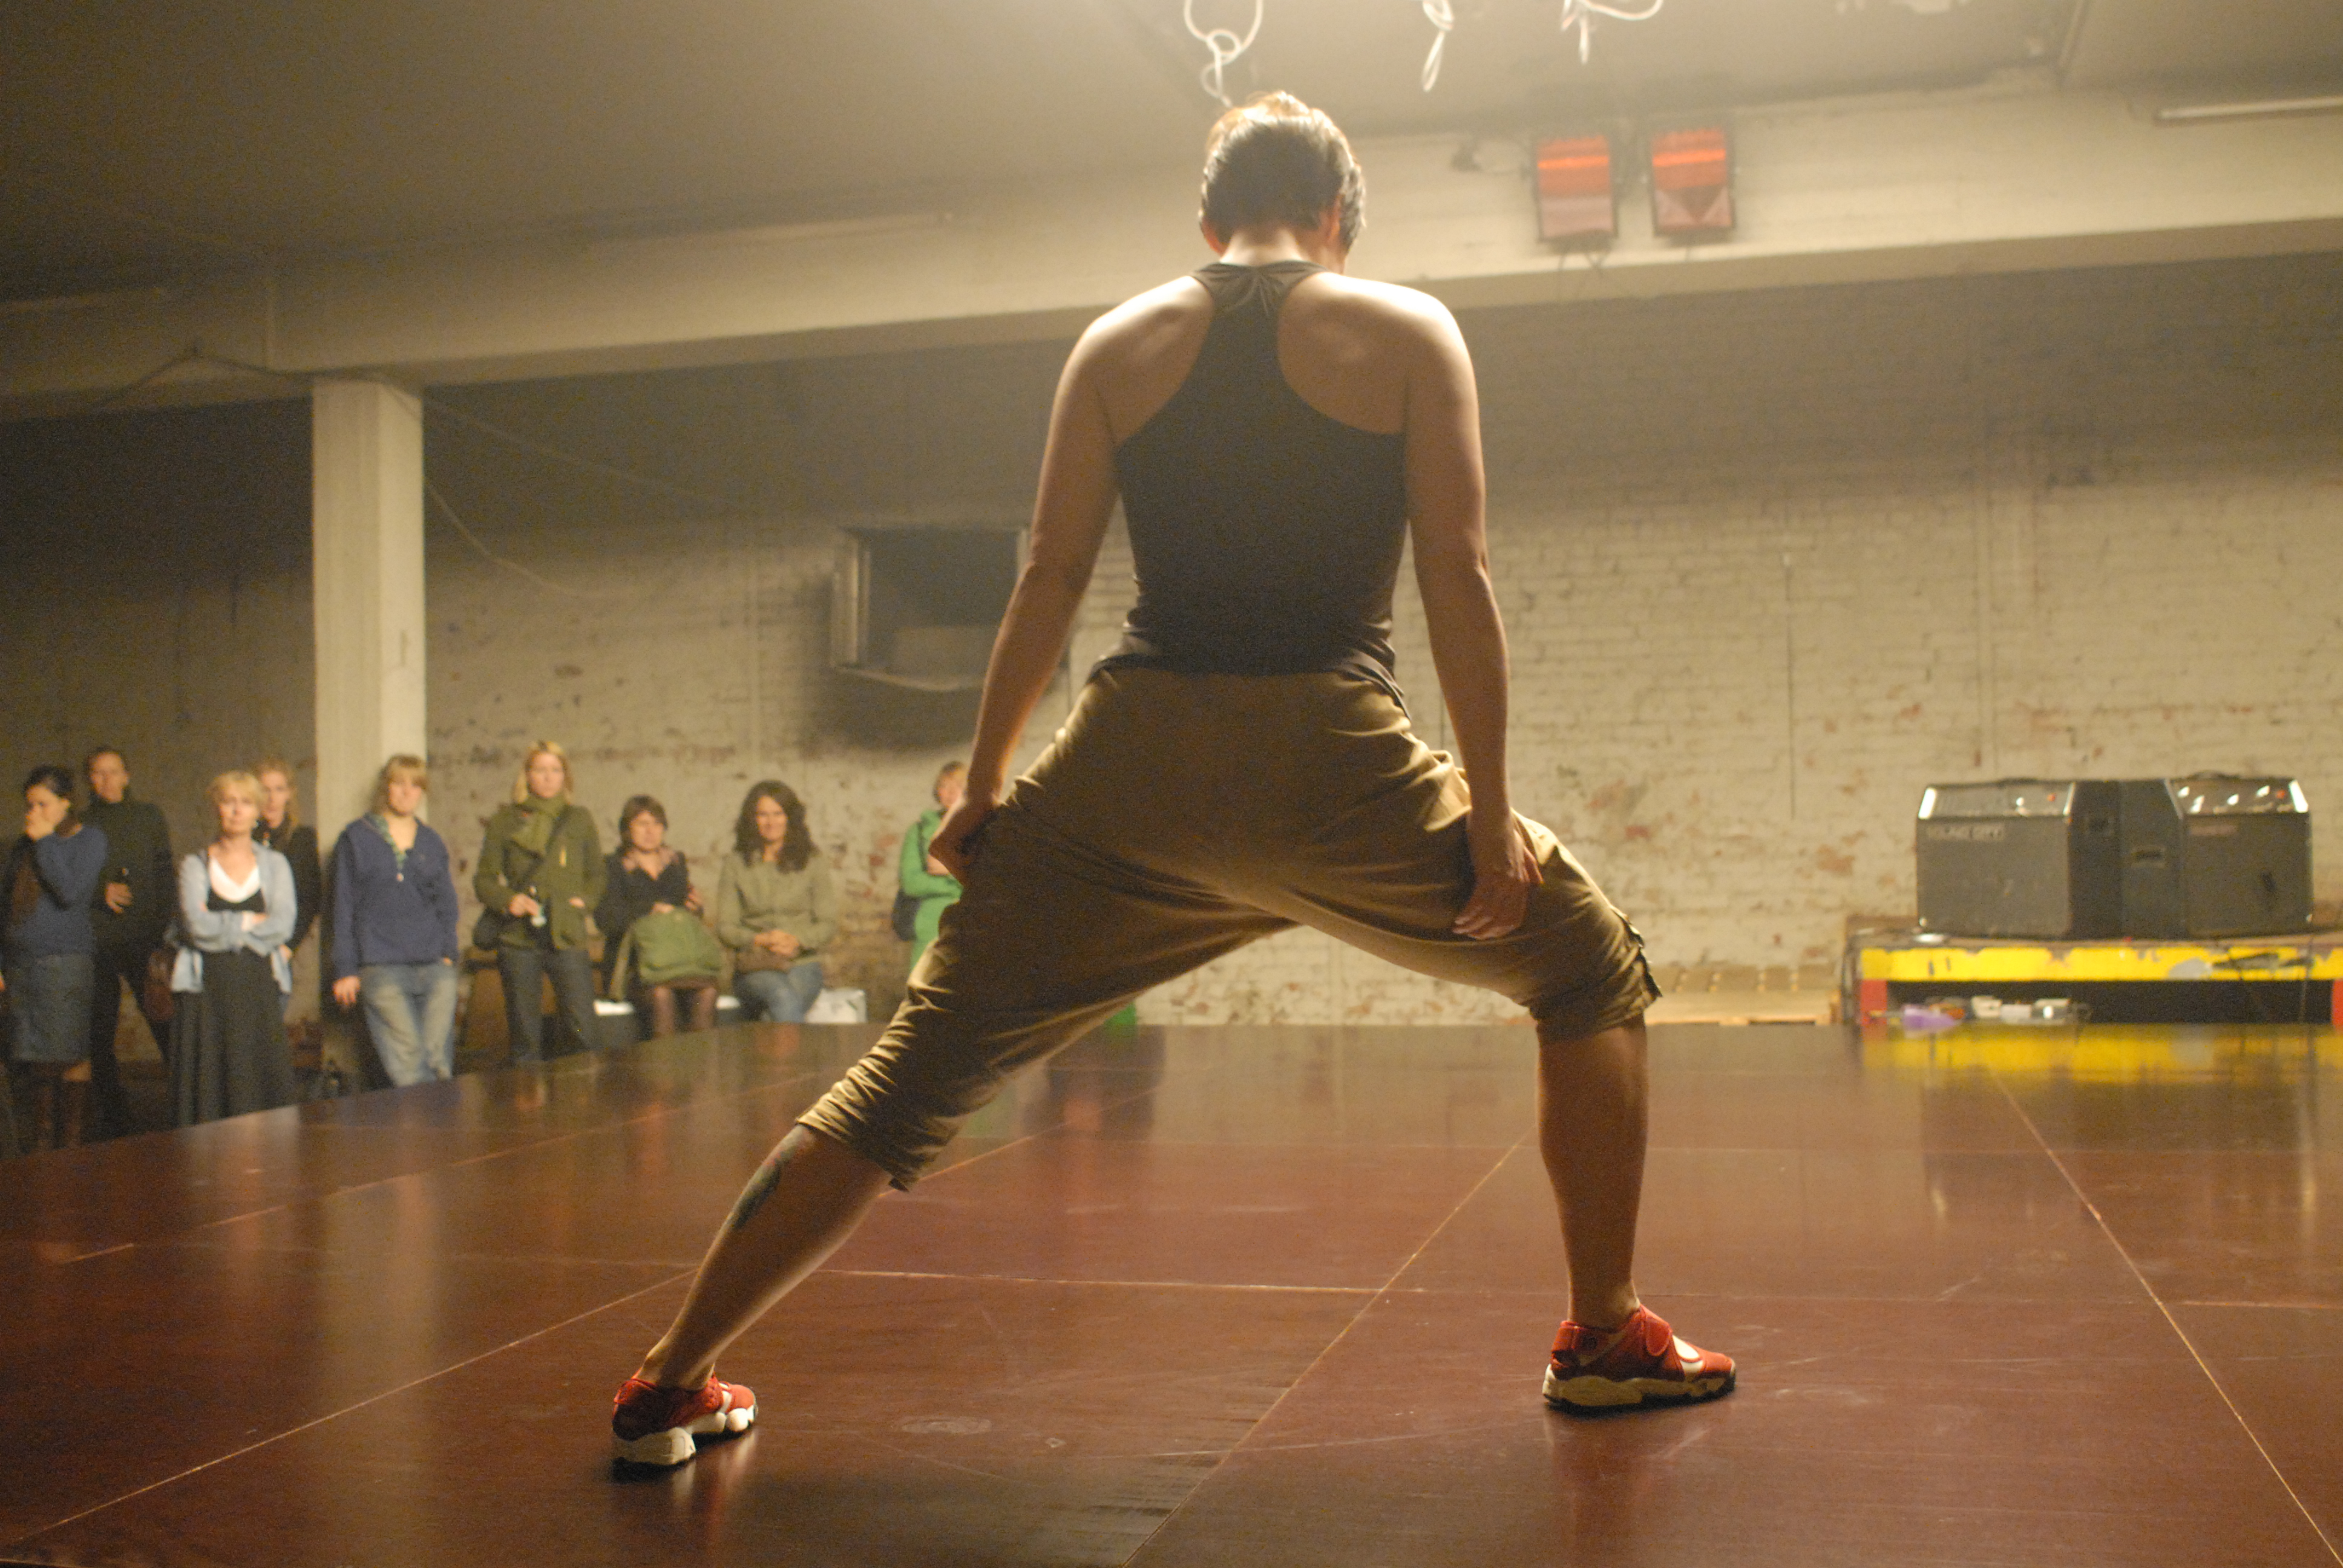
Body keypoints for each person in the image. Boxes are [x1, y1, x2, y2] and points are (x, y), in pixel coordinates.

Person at [606, 93, 1730, 1468]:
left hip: (1128, 770)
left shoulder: (1115, 345)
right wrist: (1490, 821)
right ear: (1337, 216)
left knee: (909, 1077)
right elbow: (1459, 574)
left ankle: (667, 1382)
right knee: (1587, 965)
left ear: (1207, 220)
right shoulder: (1407, 331)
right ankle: (1604, 1337)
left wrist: (982, 785)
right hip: (1331, 762)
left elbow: (1049, 574)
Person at [170, 771, 297, 1125]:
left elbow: (282, 924)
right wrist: (247, 922)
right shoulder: (195, 865)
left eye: (245, 803)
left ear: (257, 811)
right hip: (207, 989)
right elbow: (196, 927)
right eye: (228, 802)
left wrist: (222, 925)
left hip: (257, 984)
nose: (237, 811)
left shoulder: (275, 865)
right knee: (211, 1084)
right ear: (217, 809)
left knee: (256, 1080)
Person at [328, 756, 461, 1086]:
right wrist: (345, 968)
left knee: (439, 1064)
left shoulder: (430, 841)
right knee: (409, 1066)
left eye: (415, 785)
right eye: (399, 783)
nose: (406, 792)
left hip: (434, 965)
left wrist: (448, 952)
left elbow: (447, 903)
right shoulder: (357, 838)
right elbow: (342, 906)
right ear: (386, 787)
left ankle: (443, 1123)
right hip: (382, 966)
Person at [474, 741, 604, 1065]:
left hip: (566, 933)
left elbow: (597, 874)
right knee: (525, 1039)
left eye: (555, 770)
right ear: (527, 775)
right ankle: (528, 1097)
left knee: (584, 1032)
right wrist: (508, 900)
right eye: (540, 770)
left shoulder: (578, 819)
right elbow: (484, 879)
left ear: (565, 776)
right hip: (519, 938)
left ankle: (583, 1097)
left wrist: (584, 903)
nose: (548, 778)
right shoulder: (505, 820)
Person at [3, 766, 108, 1152]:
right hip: (22, 964)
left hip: (64, 963)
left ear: (66, 803)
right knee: (35, 1054)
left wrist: (46, 841)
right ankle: (43, 1139)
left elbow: (70, 891)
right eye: (30, 805)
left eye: (43, 804)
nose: (34, 812)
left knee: (68, 1051)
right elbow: (6, 905)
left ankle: (71, 1141)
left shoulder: (89, 840)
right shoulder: (22, 845)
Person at [80, 746, 173, 1138]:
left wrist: (163, 930)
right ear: (90, 780)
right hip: (98, 942)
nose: (107, 780)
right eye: (98, 773)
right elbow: (68, 879)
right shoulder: (80, 824)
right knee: (99, 1032)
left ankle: (185, 1105)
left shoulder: (148, 816)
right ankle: (114, 1116)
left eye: (113, 771)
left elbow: (165, 872)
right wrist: (99, 891)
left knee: (165, 1021)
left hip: (143, 939)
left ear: (127, 775)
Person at [596, 796, 718, 1037]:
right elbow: (606, 919)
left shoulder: (675, 863)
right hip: (637, 967)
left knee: (707, 993)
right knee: (661, 995)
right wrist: (649, 910)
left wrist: (695, 909)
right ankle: (666, 1061)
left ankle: (699, 1060)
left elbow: (685, 915)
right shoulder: (613, 866)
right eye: (642, 824)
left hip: (679, 964)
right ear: (627, 829)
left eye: (656, 824)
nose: (650, 831)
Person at [715, 781, 834, 1025]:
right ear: (752, 819)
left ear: (790, 817)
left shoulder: (813, 861)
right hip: (756, 966)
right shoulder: (736, 864)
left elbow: (828, 923)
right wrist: (762, 939)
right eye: (763, 815)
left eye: (778, 814)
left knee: (774, 1015)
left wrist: (796, 940)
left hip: (802, 964)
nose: (771, 822)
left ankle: (767, 1050)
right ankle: (797, 1054)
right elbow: (726, 928)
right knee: (782, 996)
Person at [252, 759, 325, 1027]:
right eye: (265, 790)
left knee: (278, 1022)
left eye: (279, 789)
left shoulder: (301, 838)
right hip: (248, 940)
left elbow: (309, 900)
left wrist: (288, 947)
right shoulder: (244, 838)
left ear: (290, 793)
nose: (271, 798)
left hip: (286, 943)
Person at [897, 762, 966, 975]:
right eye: (944, 786)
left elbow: (990, 879)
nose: (951, 792)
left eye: (959, 786)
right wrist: (956, 883)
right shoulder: (919, 832)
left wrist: (950, 869)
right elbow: (911, 883)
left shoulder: (984, 829)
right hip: (929, 927)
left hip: (971, 926)